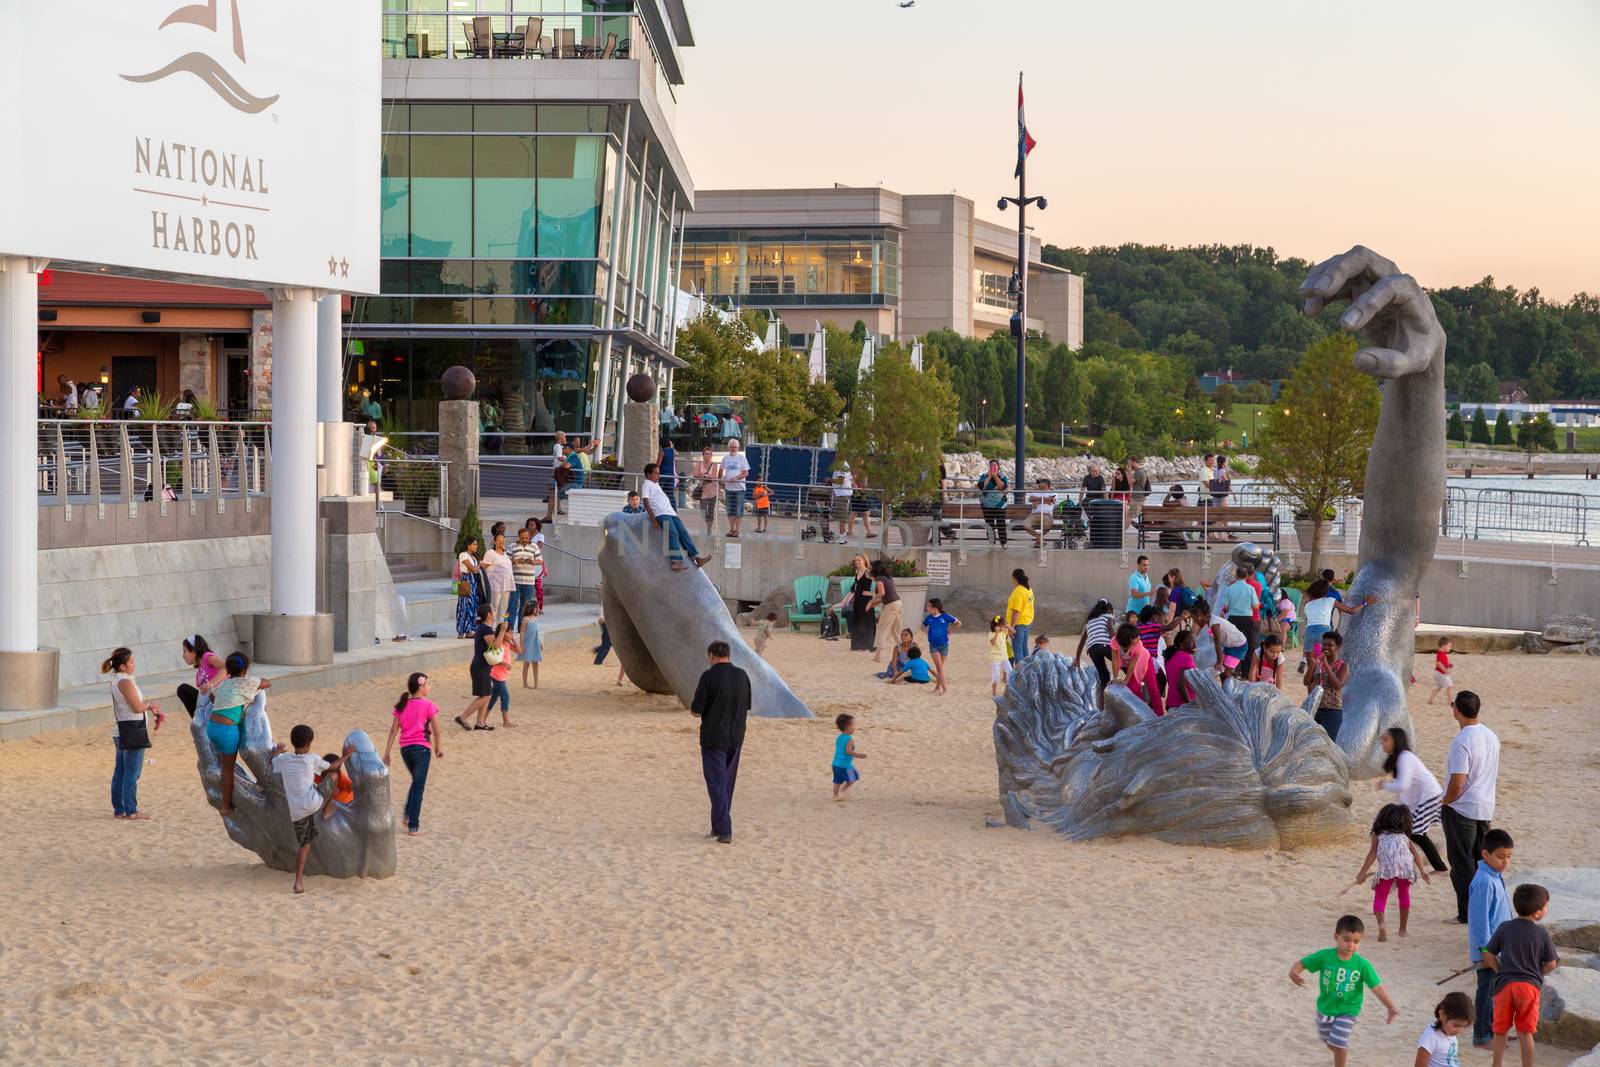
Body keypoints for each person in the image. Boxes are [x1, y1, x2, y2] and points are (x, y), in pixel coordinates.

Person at [1289, 915, 1400, 1067]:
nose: (1351, 945)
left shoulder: (1362, 965)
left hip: (1349, 1009)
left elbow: (1377, 987)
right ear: (1336, 937)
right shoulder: (1325, 956)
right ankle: (1338, 1051)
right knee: (1329, 1041)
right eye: (1346, 940)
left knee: (1339, 1042)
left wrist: (1390, 1006)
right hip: (1325, 1008)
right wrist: (1294, 973)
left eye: (1356, 941)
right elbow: (1304, 963)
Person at [269, 725, 354, 893]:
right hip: (314, 802)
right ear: (308, 745)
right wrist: (346, 756)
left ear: (293, 743)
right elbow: (333, 766)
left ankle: (298, 882)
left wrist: (278, 752)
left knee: (304, 845)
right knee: (334, 775)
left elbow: (273, 760)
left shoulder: (284, 760)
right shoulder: (312, 758)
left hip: (296, 810)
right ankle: (329, 806)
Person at [1483, 883, 1559, 1067]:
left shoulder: (1504, 927)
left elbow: (1488, 953)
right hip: (1529, 988)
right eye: (1545, 906)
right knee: (1525, 1033)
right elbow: (1551, 963)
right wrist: (1538, 974)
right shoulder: (1542, 934)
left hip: (1505, 986)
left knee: (1500, 1030)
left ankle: (1497, 1064)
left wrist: (1499, 969)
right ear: (1537, 913)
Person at [1442, 690, 1500, 925]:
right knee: (1482, 861)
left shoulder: (1463, 740)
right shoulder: (1491, 735)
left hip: (1462, 808)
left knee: (1462, 864)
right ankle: (1485, 910)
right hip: (1485, 806)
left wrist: (1445, 801)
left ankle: (1467, 913)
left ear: (1457, 710)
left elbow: (1458, 782)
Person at [691, 641, 749, 844]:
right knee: (726, 784)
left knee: (717, 783)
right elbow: (746, 704)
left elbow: (696, 708)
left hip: (714, 737)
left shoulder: (708, 676)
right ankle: (718, 826)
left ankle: (724, 829)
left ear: (711, 656)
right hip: (736, 735)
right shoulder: (742, 675)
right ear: (729, 655)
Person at [1353, 803, 1433, 941]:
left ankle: (1382, 925)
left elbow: (1372, 854)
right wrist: (1422, 870)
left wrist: (1362, 873)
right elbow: (1415, 853)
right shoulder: (1403, 836)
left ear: (1382, 819)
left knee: (1380, 897)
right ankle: (1402, 929)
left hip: (1387, 868)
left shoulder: (1378, 835)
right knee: (1404, 895)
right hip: (1405, 867)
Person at [205, 652, 270, 818]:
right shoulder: (246, 682)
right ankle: (225, 806)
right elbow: (267, 683)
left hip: (212, 727)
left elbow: (213, 697)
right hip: (227, 731)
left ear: (228, 671)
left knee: (224, 764)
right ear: (245, 669)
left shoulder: (225, 684)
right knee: (228, 770)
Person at [1468, 829, 1515, 1050]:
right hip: (1488, 951)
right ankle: (1481, 1036)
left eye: (1508, 857)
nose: (1505, 862)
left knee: (1498, 992)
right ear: (1485, 854)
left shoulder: (1495, 876)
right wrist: (1486, 951)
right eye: (1500, 856)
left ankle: (1496, 1031)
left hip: (1500, 948)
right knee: (1486, 993)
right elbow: (1479, 921)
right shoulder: (1484, 881)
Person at [104, 647, 163, 821]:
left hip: (122, 729)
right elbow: (137, 707)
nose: (134, 664)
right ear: (122, 666)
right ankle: (130, 810)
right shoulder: (124, 681)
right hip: (132, 730)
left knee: (121, 771)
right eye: (131, 662)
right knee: (131, 773)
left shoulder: (117, 679)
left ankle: (120, 809)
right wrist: (150, 705)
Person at [1378, 727, 1448, 873]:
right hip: (1423, 798)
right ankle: (1434, 859)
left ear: (1395, 741)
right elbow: (1405, 791)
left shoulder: (1405, 757)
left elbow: (1403, 785)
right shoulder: (1399, 758)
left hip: (1429, 797)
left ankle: (1439, 867)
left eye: (1385, 739)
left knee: (1415, 832)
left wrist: (1385, 784)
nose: (1382, 743)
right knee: (1411, 831)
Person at [383, 672, 441, 836]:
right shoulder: (429, 705)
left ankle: (408, 815)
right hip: (422, 749)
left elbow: (394, 730)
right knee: (418, 785)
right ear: (421, 687)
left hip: (405, 750)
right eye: (427, 684)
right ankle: (413, 825)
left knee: (416, 782)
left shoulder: (402, 705)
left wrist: (387, 753)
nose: (429, 687)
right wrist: (438, 747)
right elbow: (437, 731)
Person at [641, 462, 710, 572]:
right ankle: (676, 561)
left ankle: (696, 557)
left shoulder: (656, 484)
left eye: (659, 473)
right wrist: (653, 519)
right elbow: (645, 502)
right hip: (661, 513)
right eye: (655, 474)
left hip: (670, 512)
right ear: (649, 475)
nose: (658, 476)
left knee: (683, 532)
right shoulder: (647, 484)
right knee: (673, 533)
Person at [1299, 579, 1372, 669]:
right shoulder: (1330, 600)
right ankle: (1324, 680)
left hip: (1309, 633)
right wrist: (1365, 603)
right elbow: (1352, 611)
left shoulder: (1308, 605)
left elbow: (1308, 621)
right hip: (1323, 632)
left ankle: (1313, 681)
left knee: (1311, 668)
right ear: (1326, 591)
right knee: (1324, 664)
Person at [455, 602, 496, 732]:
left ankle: (480, 722)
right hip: (480, 666)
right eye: (492, 611)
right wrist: (501, 632)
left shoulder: (484, 628)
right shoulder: (486, 629)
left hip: (481, 665)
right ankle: (463, 717)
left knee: (486, 694)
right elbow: (495, 646)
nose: (494, 613)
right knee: (486, 696)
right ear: (489, 615)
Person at [1113, 621, 1165, 715]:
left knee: (1152, 688)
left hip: (1144, 659)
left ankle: (1160, 714)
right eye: (1136, 637)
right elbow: (1115, 660)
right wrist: (1115, 677)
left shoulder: (1138, 645)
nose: (1139, 638)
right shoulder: (1114, 642)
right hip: (1129, 663)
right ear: (1128, 639)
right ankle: (1141, 713)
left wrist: (1126, 680)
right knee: (1134, 689)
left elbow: (1133, 664)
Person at [1306, 632, 1350, 741]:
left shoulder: (1343, 666)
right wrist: (1312, 664)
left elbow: (1337, 686)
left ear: (1338, 647)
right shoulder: (1317, 663)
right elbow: (1306, 681)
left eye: (1330, 645)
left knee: (1327, 744)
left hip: (1333, 711)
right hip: (1315, 709)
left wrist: (1326, 665)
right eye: (1324, 644)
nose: (1326, 647)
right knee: (1312, 743)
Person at [1415, 992, 1473, 1067]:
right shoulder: (1431, 1037)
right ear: (1442, 1014)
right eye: (1456, 1025)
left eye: (1464, 1026)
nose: (1459, 1031)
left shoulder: (1450, 1034)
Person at [176, 633, 225, 718]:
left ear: (194, 652)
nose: (183, 656)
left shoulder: (207, 657)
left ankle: (201, 722)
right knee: (183, 690)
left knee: (183, 689)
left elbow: (226, 667)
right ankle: (200, 722)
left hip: (221, 700)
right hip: (209, 704)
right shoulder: (199, 673)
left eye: (185, 651)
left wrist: (211, 683)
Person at [920, 599, 960, 695]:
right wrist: (927, 633)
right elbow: (922, 626)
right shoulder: (928, 618)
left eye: (929, 606)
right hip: (933, 645)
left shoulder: (945, 616)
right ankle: (945, 689)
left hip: (944, 645)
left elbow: (958, 623)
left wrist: (950, 631)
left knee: (940, 668)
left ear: (935, 608)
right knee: (939, 666)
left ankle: (937, 687)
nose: (927, 608)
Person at [484, 620, 518, 728]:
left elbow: (519, 650)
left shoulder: (507, 643)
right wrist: (503, 630)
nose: (511, 634)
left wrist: (512, 638)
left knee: (493, 697)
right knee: (505, 696)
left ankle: (482, 718)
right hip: (497, 675)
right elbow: (496, 654)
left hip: (501, 675)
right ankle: (506, 721)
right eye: (509, 632)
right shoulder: (500, 643)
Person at [868, 560, 903, 665]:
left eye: (871, 567)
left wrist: (871, 603)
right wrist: (874, 600)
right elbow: (884, 594)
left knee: (882, 629)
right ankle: (905, 651)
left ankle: (878, 657)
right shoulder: (888, 577)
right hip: (898, 603)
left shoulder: (879, 579)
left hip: (891, 605)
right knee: (895, 629)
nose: (869, 569)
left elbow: (882, 593)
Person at [507, 527, 543, 624]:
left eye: (526, 538)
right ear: (518, 537)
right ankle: (509, 627)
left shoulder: (534, 547)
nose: (525, 540)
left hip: (529, 581)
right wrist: (516, 561)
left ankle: (521, 627)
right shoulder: (512, 546)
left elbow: (540, 561)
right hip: (515, 581)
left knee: (525, 606)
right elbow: (506, 560)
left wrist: (533, 562)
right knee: (512, 604)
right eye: (522, 538)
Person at [481, 530, 513, 627]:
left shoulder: (505, 553)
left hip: (506, 584)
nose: (502, 541)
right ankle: (491, 626)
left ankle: (500, 627)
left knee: (503, 608)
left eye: (503, 540)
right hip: (495, 584)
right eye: (499, 540)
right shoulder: (490, 552)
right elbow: (484, 567)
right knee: (494, 606)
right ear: (494, 541)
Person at [454, 536, 484, 638]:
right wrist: (480, 565)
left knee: (473, 606)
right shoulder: (463, 555)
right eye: (474, 544)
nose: (476, 546)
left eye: (476, 544)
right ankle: (462, 630)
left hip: (474, 582)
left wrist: (478, 566)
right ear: (468, 545)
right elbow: (472, 568)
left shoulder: (474, 558)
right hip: (466, 581)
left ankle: (470, 629)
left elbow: (475, 569)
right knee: (464, 606)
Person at [720, 438, 750, 537]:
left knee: (738, 510)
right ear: (729, 447)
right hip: (728, 488)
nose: (733, 449)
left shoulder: (742, 458)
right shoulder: (725, 458)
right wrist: (720, 481)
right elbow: (721, 470)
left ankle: (737, 530)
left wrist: (736, 478)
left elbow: (746, 473)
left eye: (735, 447)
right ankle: (731, 529)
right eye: (731, 447)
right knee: (730, 510)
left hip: (739, 488)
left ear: (738, 448)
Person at [845, 554, 875, 653]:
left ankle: (867, 645)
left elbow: (880, 582)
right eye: (856, 560)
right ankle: (858, 645)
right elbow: (855, 587)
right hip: (858, 600)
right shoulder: (857, 571)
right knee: (858, 621)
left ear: (864, 561)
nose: (857, 562)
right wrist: (845, 601)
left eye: (859, 560)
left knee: (867, 622)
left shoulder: (868, 572)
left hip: (866, 601)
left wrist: (872, 593)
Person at [1163, 630, 1198, 710]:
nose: (1195, 645)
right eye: (1191, 642)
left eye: (1195, 641)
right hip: (1181, 705)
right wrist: (1189, 706)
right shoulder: (1187, 658)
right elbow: (1181, 686)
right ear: (1181, 644)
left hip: (1171, 703)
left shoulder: (1171, 656)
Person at [1005, 568, 1035, 664]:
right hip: (1027, 622)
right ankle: (1027, 670)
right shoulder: (1029, 589)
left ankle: (1020, 673)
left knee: (1017, 649)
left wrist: (1011, 628)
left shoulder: (1018, 591)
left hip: (1019, 624)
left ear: (1014, 578)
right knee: (1024, 647)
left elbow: (1016, 611)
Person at [976, 459, 1009, 546]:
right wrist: (990, 476)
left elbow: (1002, 487)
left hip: (1000, 505)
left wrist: (995, 476)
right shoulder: (984, 476)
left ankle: (1003, 543)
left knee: (1001, 524)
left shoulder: (1002, 476)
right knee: (989, 525)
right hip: (986, 505)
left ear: (998, 467)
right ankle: (991, 543)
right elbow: (982, 487)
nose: (993, 467)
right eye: (992, 465)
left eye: (995, 465)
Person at [832, 713, 864, 800]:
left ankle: (835, 796)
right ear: (848, 727)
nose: (854, 727)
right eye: (853, 725)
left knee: (837, 781)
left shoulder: (839, 737)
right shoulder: (849, 739)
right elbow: (848, 752)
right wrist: (859, 755)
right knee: (853, 778)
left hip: (835, 763)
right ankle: (843, 790)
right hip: (844, 765)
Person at [691, 446, 722, 538]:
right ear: (703, 455)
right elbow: (695, 475)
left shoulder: (714, 465)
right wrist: (702, 475)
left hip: (712, 490)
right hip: (703, 490)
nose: (708, 455)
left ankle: (709, 528)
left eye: (709, 454)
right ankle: (708, 524)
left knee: (711, 511)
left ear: (712, 455)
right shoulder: (699, 464)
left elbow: (713, 476)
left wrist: (704, 475)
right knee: (703, 511)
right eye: (706, 454)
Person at [1024, 478, 1057, 548]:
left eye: (1041, 483)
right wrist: (1045, 500)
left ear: (1047, 485)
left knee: (1048, 525)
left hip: (1047, 515)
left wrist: (1038, 501)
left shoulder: (1052, 493)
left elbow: (1052, 500)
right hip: (1034, 515)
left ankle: (1038, 541)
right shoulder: (1035, 492)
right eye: (1039, 483)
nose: (1039, 485)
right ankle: (1039, 538)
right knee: (1026, 525)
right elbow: (1031, 499)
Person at [519, 603, 543, 688]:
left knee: (535, 664)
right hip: (528, 643)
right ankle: (525, 684)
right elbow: (521, 633)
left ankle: (536, 684)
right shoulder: (525, 619)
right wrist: (522, 645)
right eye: (536, 608)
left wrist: (540, 643)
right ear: (531, 608)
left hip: (535, 643)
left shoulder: (536, 619)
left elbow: (537, 633)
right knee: (526, 663)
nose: (537, 609)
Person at [830, 462, 855, 541]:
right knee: (840, 518)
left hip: (842, 495)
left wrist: (830, 480)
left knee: (841, 518)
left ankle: (841, 538)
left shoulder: (843, 465)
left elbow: (841, 481)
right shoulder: (841, 465)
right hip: (841, 494)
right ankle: (841, 537)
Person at [988, 617, 1013, 695]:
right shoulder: (991, 633)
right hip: (996, 658)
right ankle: (994, 693)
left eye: (1003, 625)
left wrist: (1008, 626)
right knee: (996, 675)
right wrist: (996, 633)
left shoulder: (1004, 632)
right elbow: (993, 643)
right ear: (997, 625)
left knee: (1011, 672)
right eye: (1002, 625)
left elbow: (1013, 631)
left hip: (1004, 657)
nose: (1003, 626)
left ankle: (1010, 691)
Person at [1126, 456, 1150, 531]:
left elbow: (1130, 483)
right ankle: (1142, 530)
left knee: (1129, 516)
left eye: (1129, 463)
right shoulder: (1141, 471)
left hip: (1138, 499)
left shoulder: (1139, 472)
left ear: (1133, 462)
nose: (1128, 465)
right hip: (1139, 498)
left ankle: (1122, 534)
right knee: (1130, 516)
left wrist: (1129, 471)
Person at [1429, 638, 1455, 705]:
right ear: (1444, 646)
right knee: (1449, 686)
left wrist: (1448, 665)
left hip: (1438, 673)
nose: (1450, 648)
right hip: (1441, 674)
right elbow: (1438, 663)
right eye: (1449, 646)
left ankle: (1430, 700)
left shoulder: (1441, 653)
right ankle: (1451, 701)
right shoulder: (1441, 653)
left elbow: (1442, 663)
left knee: (1439, 687)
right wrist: (1445, 670)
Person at [656, 436, 680, 510]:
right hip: (671, 475)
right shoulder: (672, 451)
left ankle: (659, 508)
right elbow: (677, 454)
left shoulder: (662, 451)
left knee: (658, 492)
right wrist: (671, 446)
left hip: (663, 474)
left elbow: (658, 465)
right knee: (671, 495)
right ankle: (674, 511)